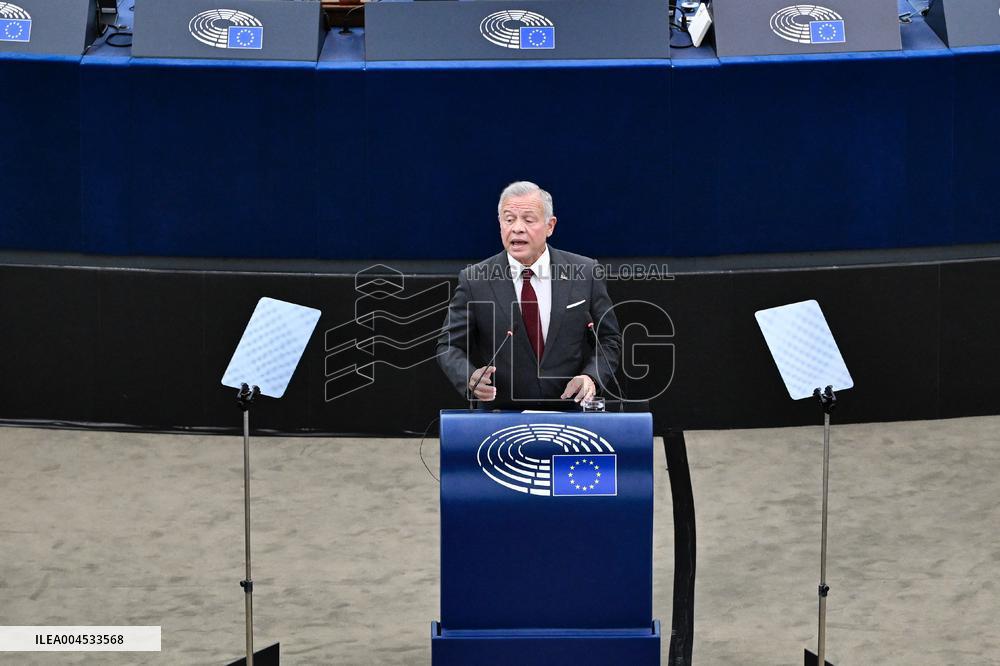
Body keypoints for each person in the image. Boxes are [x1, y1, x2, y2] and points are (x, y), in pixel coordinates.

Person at [436, 181, 621, 408]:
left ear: (550, 226)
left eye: (528, 220)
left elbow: (609, 340)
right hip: (501, 414)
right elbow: (449, 345)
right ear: (500, 224)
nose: (517, 228)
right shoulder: (475, 280)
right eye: (509, 219)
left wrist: (591, 377)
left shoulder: (585, 273)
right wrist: (469, 377)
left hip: (569, 411)